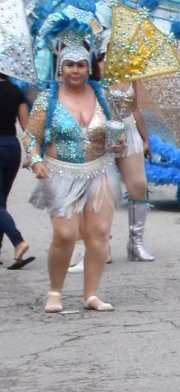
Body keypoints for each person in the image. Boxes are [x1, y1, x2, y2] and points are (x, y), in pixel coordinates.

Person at [23, 32, 119, 314]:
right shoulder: (46, 99)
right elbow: (30, 136)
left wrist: (118, 142)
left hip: (99, 170)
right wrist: (36, 160)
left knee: (98, 233)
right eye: (70, 64)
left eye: (81, 64)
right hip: (61, 173)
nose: (75, 70)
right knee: (65, 234)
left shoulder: (102, 96)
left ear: (89, 68)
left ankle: (91, 294)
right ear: (60, 68)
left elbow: (114, 132)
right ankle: (55, 292)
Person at [0, 63, 34, 270]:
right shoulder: (16, 90)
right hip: (11, 148)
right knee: (1, 202)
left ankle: (18, 241)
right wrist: (32, 154)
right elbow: (26, 126)